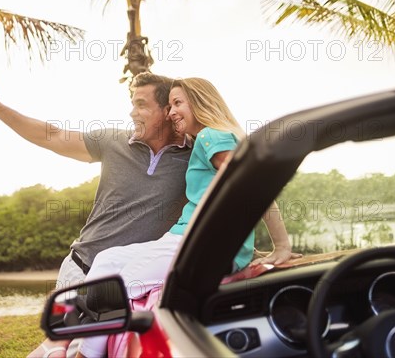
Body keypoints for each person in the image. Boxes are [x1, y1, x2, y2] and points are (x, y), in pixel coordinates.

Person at [0, 72, 193, 358]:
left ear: (167, 111)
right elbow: (52, 135)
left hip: (123, 284)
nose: (131, 111)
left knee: (81, 352)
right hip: (78, 269)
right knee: (52, 349)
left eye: (140, 104)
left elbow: (234, 176)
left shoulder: (194, 157)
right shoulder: (113, 140)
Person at [74, 78, 298, 358]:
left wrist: (281, 246)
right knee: (106, 260)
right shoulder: (211, 139)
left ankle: (86, 356)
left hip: (195, 244)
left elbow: (253, 188)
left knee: (122, 285)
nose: (170, 113)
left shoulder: (210, 136)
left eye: (178, 104)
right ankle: (86, 345)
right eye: (169, 106)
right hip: (183, 239)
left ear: (200, 103)